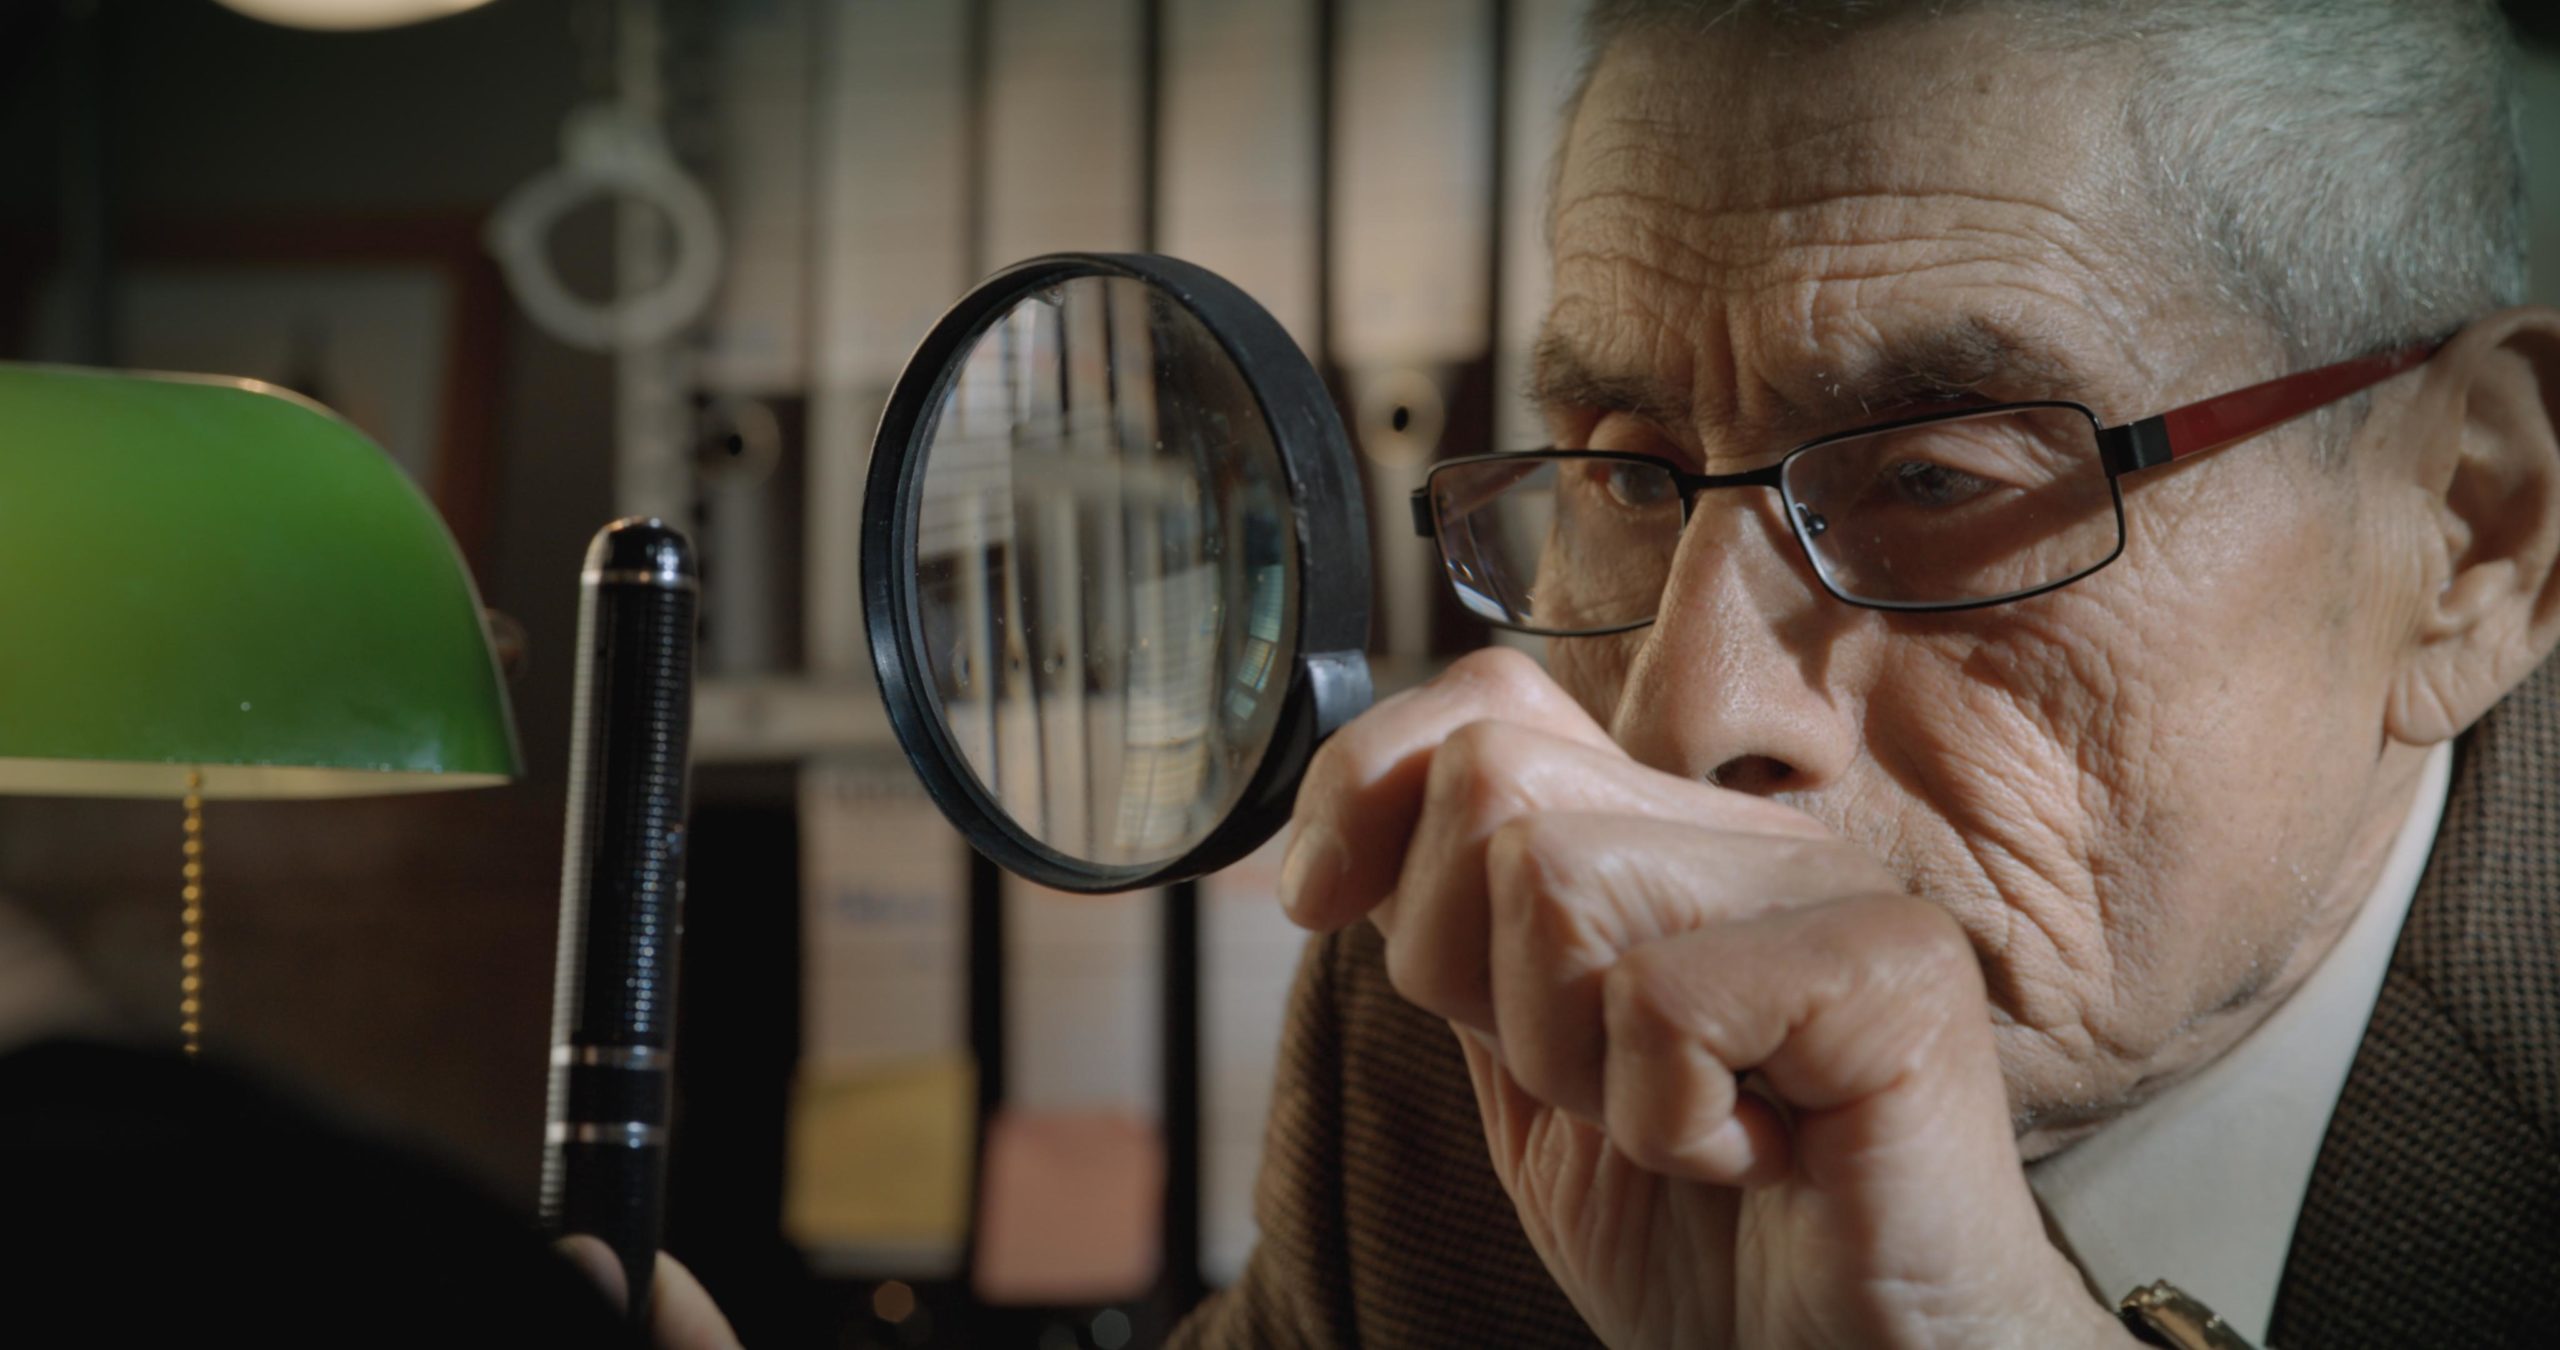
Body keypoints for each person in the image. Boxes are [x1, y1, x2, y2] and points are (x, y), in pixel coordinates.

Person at [1171, 1, 2558, 1347]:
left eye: (1936, 478)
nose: (1682, 716)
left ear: (2472, 528)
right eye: (1631, 479)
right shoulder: (1478, 1022)